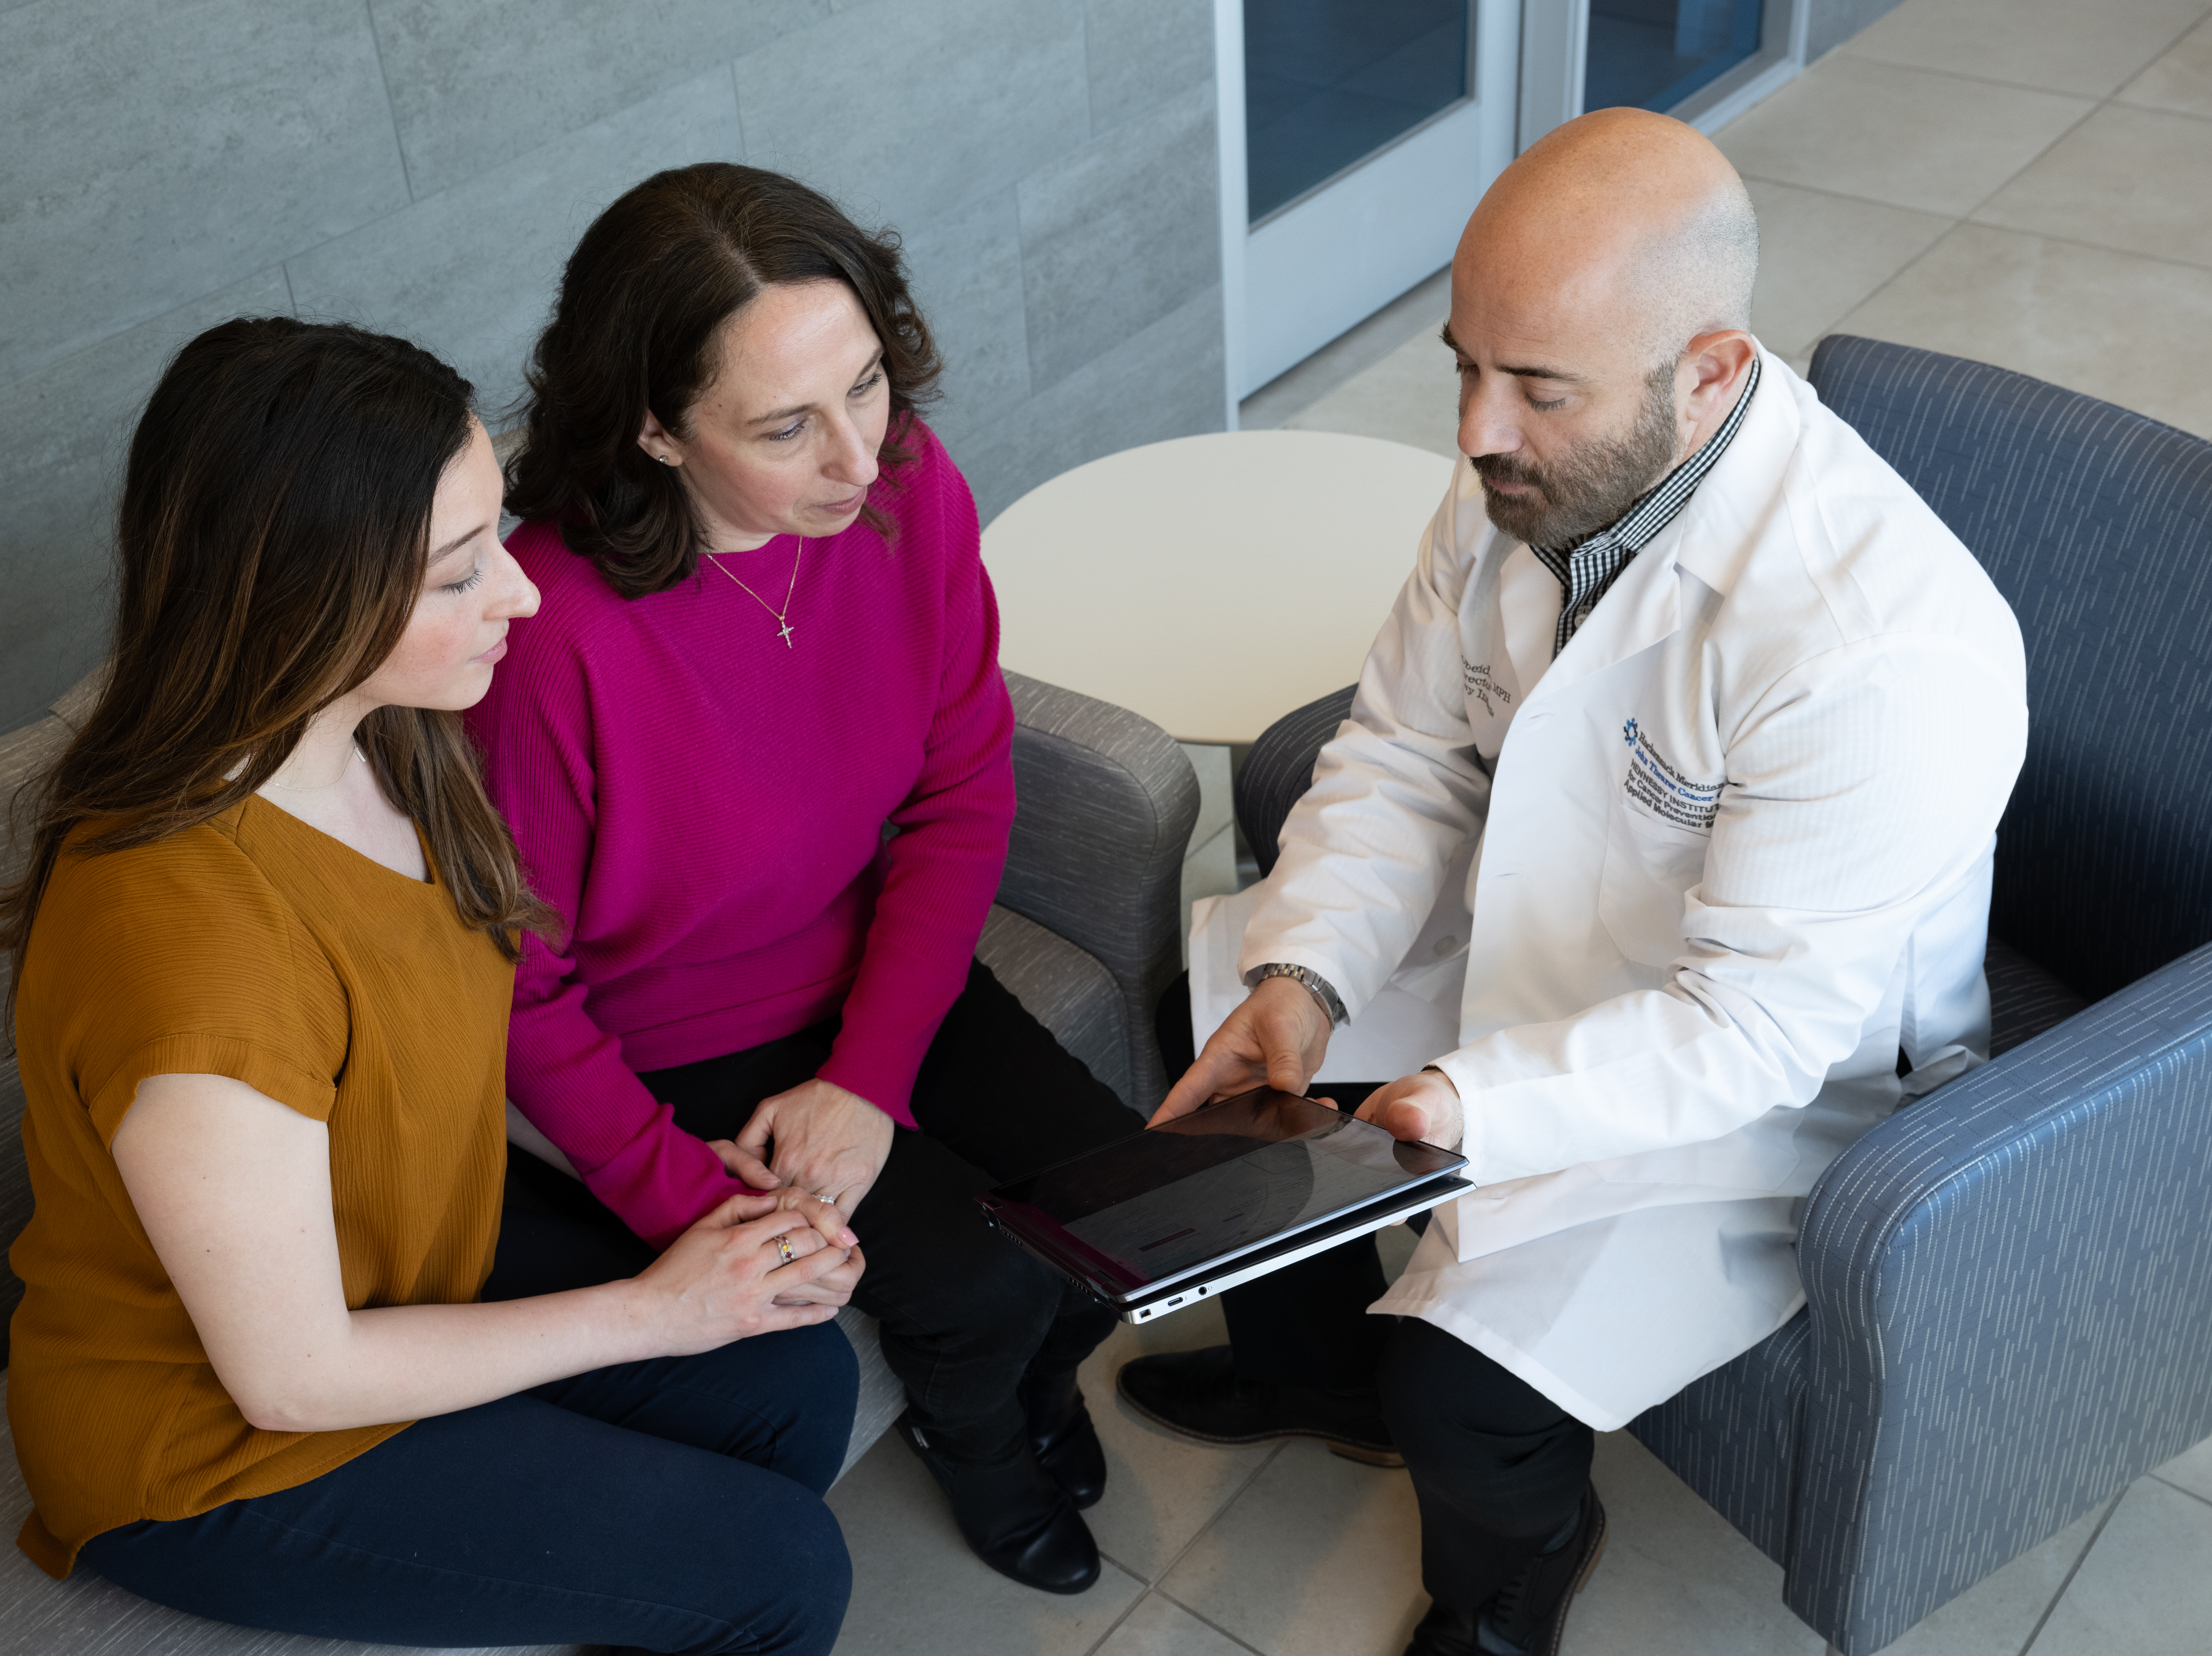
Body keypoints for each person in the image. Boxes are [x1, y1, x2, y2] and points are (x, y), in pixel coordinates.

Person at [1119, 110, 2027, 1656]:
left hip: (1764, 1080)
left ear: (1713, 373)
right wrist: (1312, 974)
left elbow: (1749, 1031)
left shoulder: (1881, 647)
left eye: (1537, 386)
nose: (1477, 430)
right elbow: (1406, 747)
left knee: (1465, 1382)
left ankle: (1513, 1579)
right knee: (1227, 1044)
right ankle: (1314, 1374)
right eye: (1465, 362)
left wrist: (1466, 1105)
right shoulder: (1531, 473)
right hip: (1548, 926)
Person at [0, 317, 864, 1654]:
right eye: (456, 574)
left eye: (494, 536)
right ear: (294, 598)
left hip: (401, 1252)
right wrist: (659, 1306)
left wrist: (715, 1215)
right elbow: (291, 1373)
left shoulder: (396, 739)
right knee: (783, 1569)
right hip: (218, 1441)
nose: (523, 593)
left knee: (791, 1373)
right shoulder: (192, 955)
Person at [468, 162, 1145, 1596]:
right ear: (655, 428)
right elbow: (516, 989)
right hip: (681, 1043)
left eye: (868, 385)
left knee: (1121, 1200)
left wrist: (873, 1075)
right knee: (970, 1282)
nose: (859, 457)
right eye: (786, 425)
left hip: (875, 969)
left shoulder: (907, 493)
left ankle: (1040, 1383)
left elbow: (964, 786)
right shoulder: (548, 638)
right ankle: (989, 1446)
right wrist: (685, 1201)